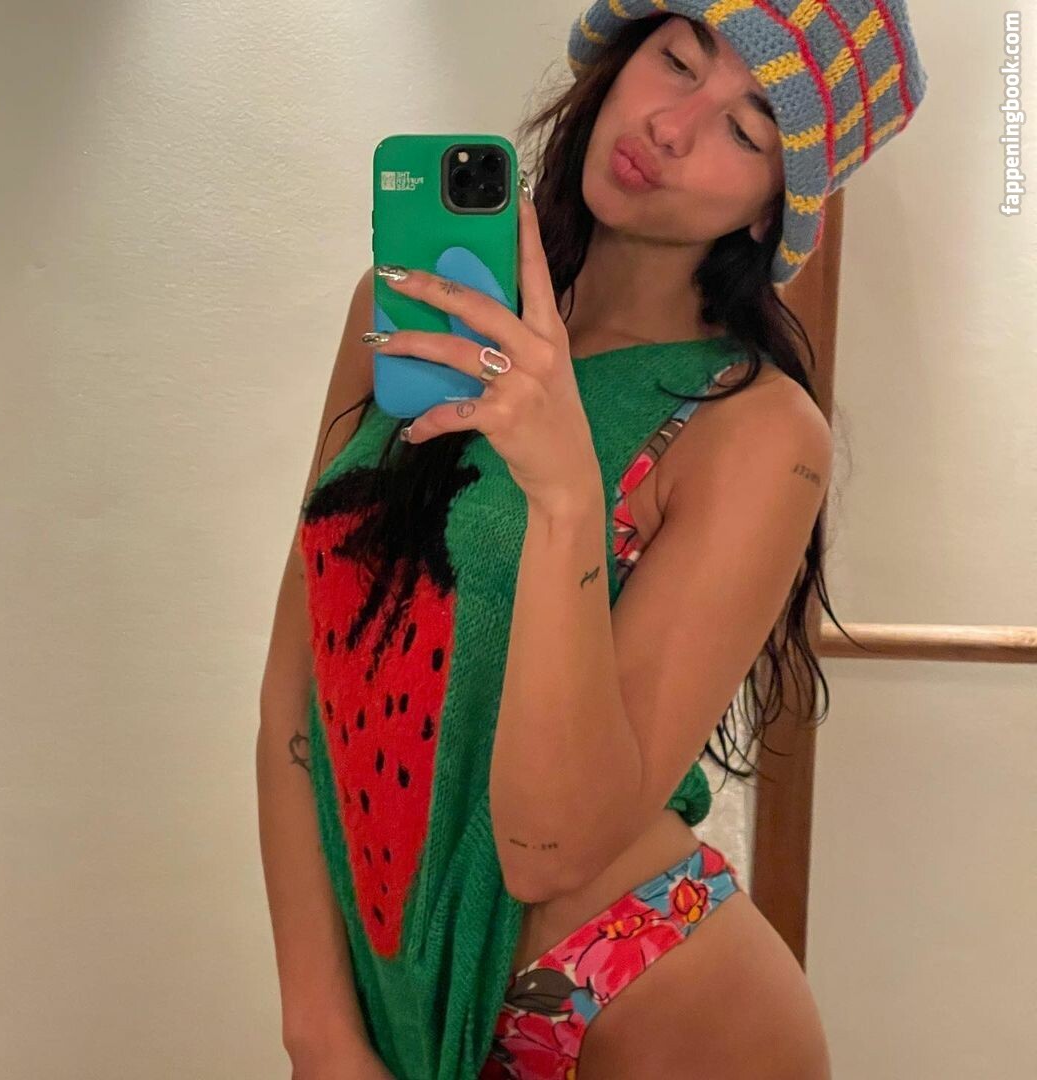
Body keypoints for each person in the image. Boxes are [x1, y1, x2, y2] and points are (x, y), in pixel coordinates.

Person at [258, 3, 929, 1078]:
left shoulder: (756, 430)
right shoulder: (404, 322)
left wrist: (568, 491)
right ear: (619, 56)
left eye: (744, 131)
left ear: (774, 207)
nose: (671, 127)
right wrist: (319, 1032)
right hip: (384, 985)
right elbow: (299, 689)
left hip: (634, 1003)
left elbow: (547, 850)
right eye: (675, 61)